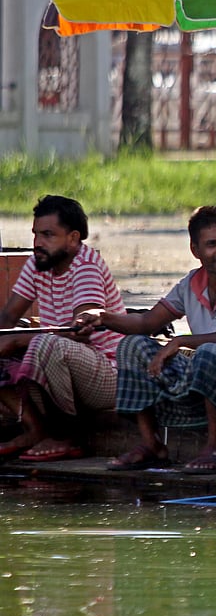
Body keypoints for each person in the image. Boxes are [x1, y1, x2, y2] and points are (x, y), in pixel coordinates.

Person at [77, 206, 216, 475]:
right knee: (132, 345)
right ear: (195, 250)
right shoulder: (191, 283)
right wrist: (102, 317)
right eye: (212, 244)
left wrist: (180, 341)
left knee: (210, 351)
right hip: (207, 381)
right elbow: (147, 323)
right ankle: (151, 445)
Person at [0, 196, 125, 461]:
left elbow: (78, 331)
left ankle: (67, 437)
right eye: (35, 234)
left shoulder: (86, 266)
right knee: (15, 345)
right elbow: (8, 318)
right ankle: (35, 430)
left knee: (45, 343)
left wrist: (19, 341)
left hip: (109, 376)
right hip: (62, 369)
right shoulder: (38, 263)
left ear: (73, 238)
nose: (37, 243)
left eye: (48, 235)